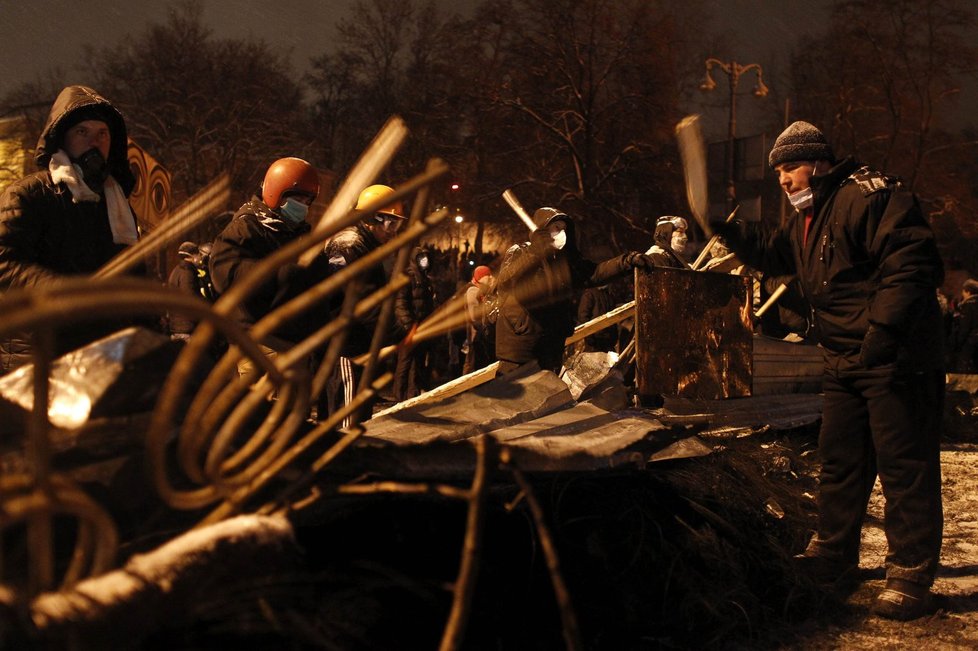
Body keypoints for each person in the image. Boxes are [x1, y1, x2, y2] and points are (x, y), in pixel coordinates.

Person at [715, 121, 945, 620]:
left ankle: (909, 570)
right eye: (776, 170)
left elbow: (909, 261)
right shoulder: (810, 216)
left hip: (895, 356)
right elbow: (775, 252)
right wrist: (726, 229)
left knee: (904, 467)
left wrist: (884, 332)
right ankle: (835, 552)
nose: (782, 178)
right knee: (840, 460)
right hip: (843, 357)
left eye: (790, 167)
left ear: (818, 162)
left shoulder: (870, 195)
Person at [0, 85, 142, 373]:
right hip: (39, 357)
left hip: (99, 358)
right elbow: (4, 263)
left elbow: (135, 277)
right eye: (82, 132)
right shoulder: (29, 194)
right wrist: (63, 291)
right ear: (62, 138)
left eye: (102, 133)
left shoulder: (116, 205)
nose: (94, 141)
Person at [494, 207, 655, 374]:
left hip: (550, 349)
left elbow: (595, 273)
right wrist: (536, 252)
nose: (561, 233)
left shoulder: (563, 262)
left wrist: (626, 262)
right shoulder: (521, 252)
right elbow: (509, 281)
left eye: (564, 229)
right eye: (555, 228)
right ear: (541, 229)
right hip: (521, 350)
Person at [208, 157, 323, 377]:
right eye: (298, 198)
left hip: (293, 341)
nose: (304, 206)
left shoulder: (297, 233)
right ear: (276, 192)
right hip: (259, 340)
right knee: (265, 409)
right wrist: (282, 273)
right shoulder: (247, 226)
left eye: (308, 201)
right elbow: (225, 273)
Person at [323, 184, 408, 424]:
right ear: (373, 218)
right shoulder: (350, 246)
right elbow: (364, 301)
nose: (393, 231)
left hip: (360, 345)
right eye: (390, 224)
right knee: (348, 420)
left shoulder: (366, 247)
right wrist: (397, 333)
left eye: (397, 224)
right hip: (346, 347)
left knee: (360, 418)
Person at [393, 247, 435, 400]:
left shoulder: (425, 278)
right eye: (421, 258)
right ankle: (399, 395)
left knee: (418, 362)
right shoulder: (407, 277)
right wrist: (409, 326)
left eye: (426, 258)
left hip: (423, 327)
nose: (425, 261)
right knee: (405, 362)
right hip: (411, 328)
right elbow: (400, 303)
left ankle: (412, 394)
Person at [463, 264, 495, 374]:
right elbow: (474, 317)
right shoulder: (473, 291)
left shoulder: (481, 290)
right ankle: (466, 390)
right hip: (475, 335)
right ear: (481, 278)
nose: (491, 277)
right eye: (488, 275)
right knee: (472, 365)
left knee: (476, 364)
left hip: (478, 335)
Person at [949, 278, 978, 372]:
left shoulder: (968, 306)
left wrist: (957, 344)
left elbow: (964, 329)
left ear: (968, 291)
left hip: (969, 345)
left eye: (963, 291)